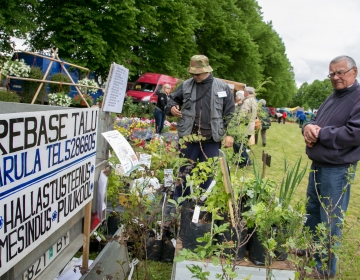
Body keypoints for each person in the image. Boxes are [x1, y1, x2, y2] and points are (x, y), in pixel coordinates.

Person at [302, 55, 360, 278]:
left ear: (354, 71)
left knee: (331, 219)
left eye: (340, 72)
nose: (336, 77)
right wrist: (308, 127)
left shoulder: (357, 96)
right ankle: (312, 253)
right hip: (319, 164)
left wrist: (321, 133)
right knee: (313, 213)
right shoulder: (333, 96)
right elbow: (315, 119)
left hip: (337, 169)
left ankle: (325, 269)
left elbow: (355, 133)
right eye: (332, 74)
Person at [166, 54, 235, 200]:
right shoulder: (186, 85)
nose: (193, 75)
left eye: (196, 73)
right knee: (183, 173)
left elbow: (230, 113)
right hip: (189, 138)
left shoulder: (222, 87)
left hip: (211, 140)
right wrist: (172, 107)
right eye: (192, 73)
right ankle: (181, 206)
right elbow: (171, 99)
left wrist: (230, 134)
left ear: (206, 70)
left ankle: (202, 205)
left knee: (208, 174)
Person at [233, 87, 257, 167]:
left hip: (244, 126)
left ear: (247, 92)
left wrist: (237, 122)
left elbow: (243, 114)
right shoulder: (254, 101)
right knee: (240, 144)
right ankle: (241, 161)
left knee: (238, 143)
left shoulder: (247, 101)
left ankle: (246, 159)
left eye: (244, 92)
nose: (244, 93)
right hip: (251, 126)